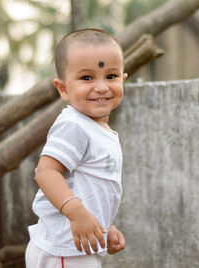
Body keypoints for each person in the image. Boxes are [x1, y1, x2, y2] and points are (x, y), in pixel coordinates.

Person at [25, 28, 128, 268]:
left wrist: (103, 226)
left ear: (123, 79)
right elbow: (46, 172)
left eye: (111, 76)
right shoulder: (74, 126)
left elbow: (87, 188)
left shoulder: (97, 131)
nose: (101, 87)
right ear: (63, 88)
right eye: (87, 78)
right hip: (64, 250)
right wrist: (77, 214)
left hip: (74, 247)